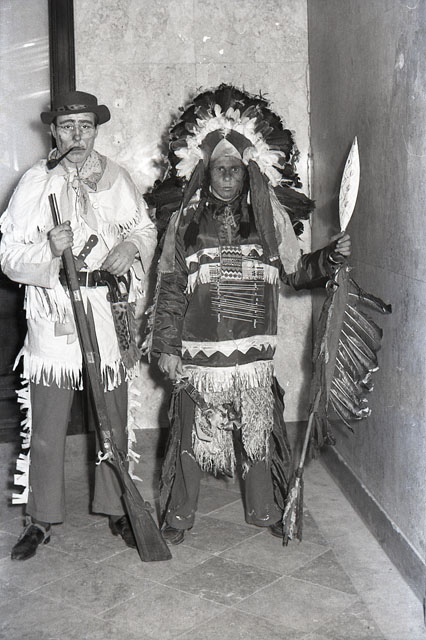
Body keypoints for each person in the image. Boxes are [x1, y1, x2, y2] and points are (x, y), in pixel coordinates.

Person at [144, 85, 351, 545]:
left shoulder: (269, 219)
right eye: (219, 168)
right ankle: (177, 517)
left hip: (253, 357)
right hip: (199, 357)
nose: (227, 177)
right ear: (205, 171)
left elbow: (297, 272)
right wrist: (166, 348)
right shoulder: (185, 221)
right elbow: (171, 287)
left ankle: (267, 509)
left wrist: (331, 258)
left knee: (259, 435)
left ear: (247, 170)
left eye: (234, 168)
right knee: (189, 437)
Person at [0, 91, 157, 560]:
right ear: (53, 131)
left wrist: (130, 247)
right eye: (68, 127)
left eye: (85, 126)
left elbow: (144, 229)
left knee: (112, 417)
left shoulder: (117, 178)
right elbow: (9, 257)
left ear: (95, 130)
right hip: (53, 312)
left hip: (106, 310)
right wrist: (48, 249)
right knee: (47, 424)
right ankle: (41, 518)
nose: (77, 136)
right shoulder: (34, 183)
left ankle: (117, 507)